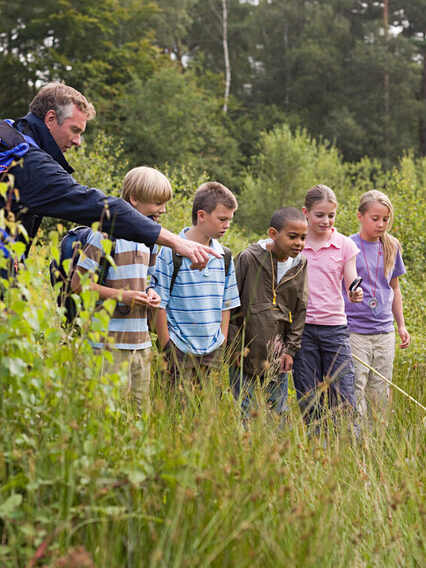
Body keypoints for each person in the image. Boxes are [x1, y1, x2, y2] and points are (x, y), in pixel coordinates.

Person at [1, 82, 215, 269]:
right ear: (50, 118)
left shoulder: (9, 138)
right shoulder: (29, 162)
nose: (77, 141)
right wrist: (174, 241)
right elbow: (96, 205)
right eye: (75, 130)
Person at [71, 166, 172, 414]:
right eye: (158, 203)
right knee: (107, 414)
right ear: (134, 200)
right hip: (108, 344)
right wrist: (122, 296)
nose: (163, 210)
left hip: (141, 343)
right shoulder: (105, 235)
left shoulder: (150, 240)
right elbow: (78, 284)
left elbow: (145, 280)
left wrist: (151, 293)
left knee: (140, 416)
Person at [152, 182, 240, 387]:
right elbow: (158, 303)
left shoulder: (224, 256)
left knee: (205, 415)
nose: (227, 225)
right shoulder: (170, 251)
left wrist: (222, 341)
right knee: (173, 412)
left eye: (230, 220)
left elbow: (226, 304)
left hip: (212, 351)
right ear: (202, 216)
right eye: (222, 219)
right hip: (179, 349)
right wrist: (167, 346)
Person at [292, 184, 363, 431]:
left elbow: (351, 278)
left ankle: (349, 447)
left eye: (331, 215)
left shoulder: (344, 245)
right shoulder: (296, 245)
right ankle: (315, 447)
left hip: (335, 329)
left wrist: (356, 291)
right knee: (308, 395)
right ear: (306, 213)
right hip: (303, 330)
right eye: (319, 215)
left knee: (343, 393)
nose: (326, 220)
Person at [228, 207, 309, 422]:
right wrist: (234, 348)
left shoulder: (301, 265)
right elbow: (231, 303)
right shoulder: (248, 258)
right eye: (292, 236)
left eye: (303, 237)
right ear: (273, 233)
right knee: (244, 409)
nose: (299, 243)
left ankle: (277, 453)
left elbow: (300, 309)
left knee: (279, 411)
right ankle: (245, 452)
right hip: (244, 351)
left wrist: (290, 350)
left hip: (277, 353)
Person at [343, 190, 410, 418]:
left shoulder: (391, 246)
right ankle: (357, 439)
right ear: (360, 216)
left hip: (384, 331)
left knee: (380, 389)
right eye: (375, 219)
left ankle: (377, 441)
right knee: (356, 386)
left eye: (385, 219)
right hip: (355, 331)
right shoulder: (348, 246)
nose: (381, 224)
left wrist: (401, 325)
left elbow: (395, 287)